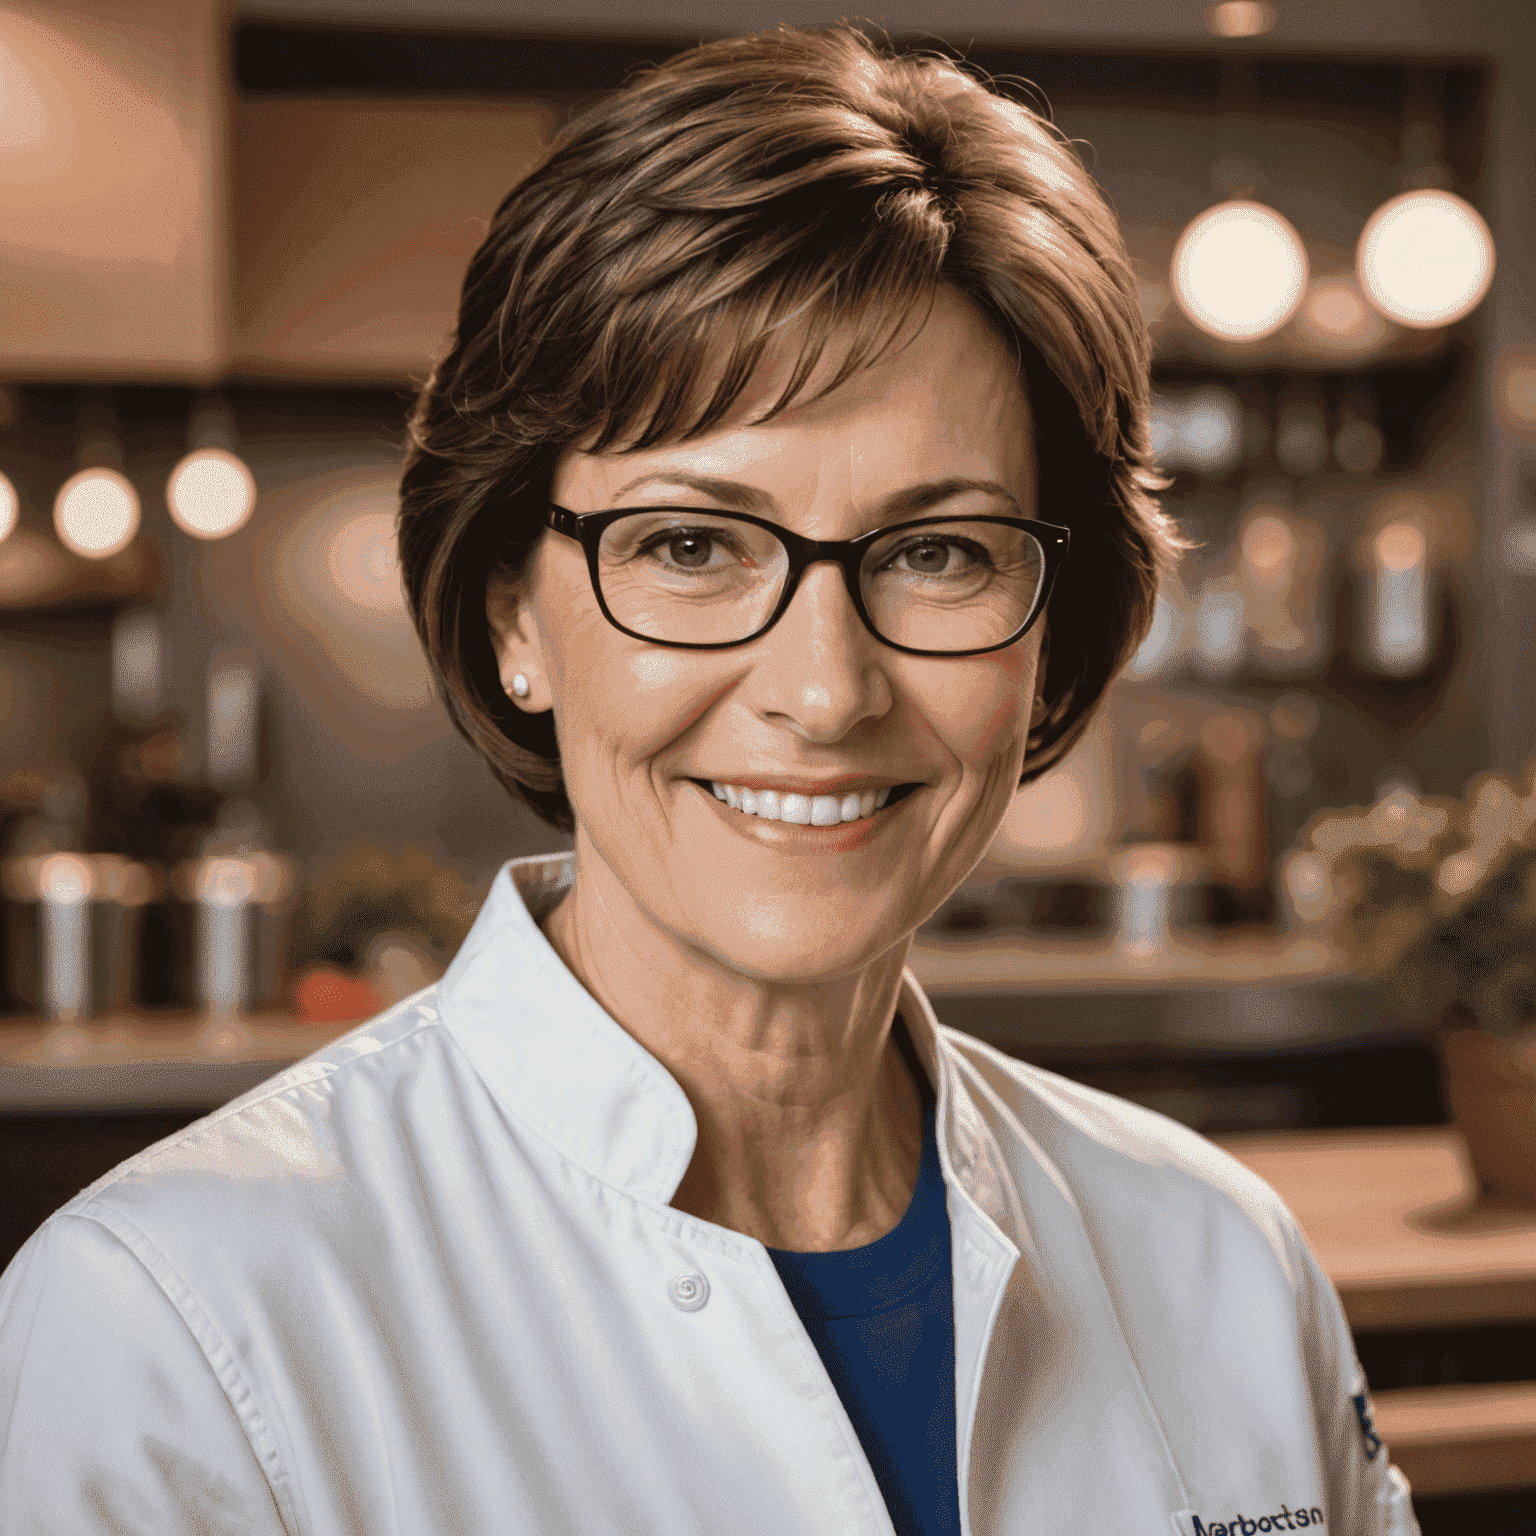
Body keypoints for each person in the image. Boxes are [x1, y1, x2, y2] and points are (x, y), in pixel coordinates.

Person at [0, 24, 1418, 1536]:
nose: (823, 690)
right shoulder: (169, 1333)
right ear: (512, 615)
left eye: (937, 552)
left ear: (1055, 636)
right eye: (690, 544)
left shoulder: (1225, 1265)